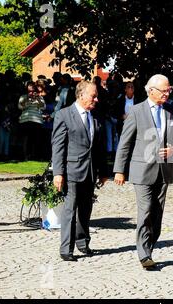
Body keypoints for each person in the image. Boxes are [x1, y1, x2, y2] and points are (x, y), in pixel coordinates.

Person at [113, 74, 173, 271]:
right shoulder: (136, 111)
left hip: (164, 169)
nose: (167, 94)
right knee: (145, 211)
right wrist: (119, 170)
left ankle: (149, 246)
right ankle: (145, 254)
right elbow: (124, 143)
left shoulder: (171, 110)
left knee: (157, 213)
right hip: (141, 170)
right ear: (151, 91)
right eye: (164, 90)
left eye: (169, 90)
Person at [52, 80, 108, 261]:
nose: (96, 99)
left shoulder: (96, 116)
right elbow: (58, 146)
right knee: (70, 210)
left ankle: (83, 243)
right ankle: (66, 249)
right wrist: (58, 173)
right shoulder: (64, 115)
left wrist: (104, 170)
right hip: (72, 170)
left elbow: (99, 146)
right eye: (93, 96)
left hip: (90, 171)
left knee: (86, 209)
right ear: (81, 95)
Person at [18, 81, 46, 160]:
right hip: (26, 119)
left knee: (36, 139)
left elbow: (43, 107)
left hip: (37, 120)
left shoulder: (39, 97)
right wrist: (27, 98)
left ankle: (36, 156)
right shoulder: (23, 96)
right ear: (26, 87)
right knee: (26, 139)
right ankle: (26, 156)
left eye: (33, 86)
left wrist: (37, 98)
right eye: (29, 86)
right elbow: (20, 106)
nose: (31, 87)